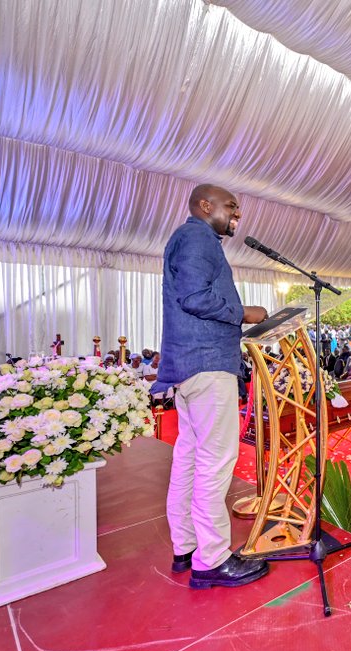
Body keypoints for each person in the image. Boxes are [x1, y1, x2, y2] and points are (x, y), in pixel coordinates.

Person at [154, 184, 269, 589]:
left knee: (189, 457)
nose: (237, 214)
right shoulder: (196, 237)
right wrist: (245, 313)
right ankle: (212, 560)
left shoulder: (192, 239)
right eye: (231, 206)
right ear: (206, 206)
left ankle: (186, 546)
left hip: (190, 365)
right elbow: (196, 297)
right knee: (215, 460)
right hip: (207, 363)